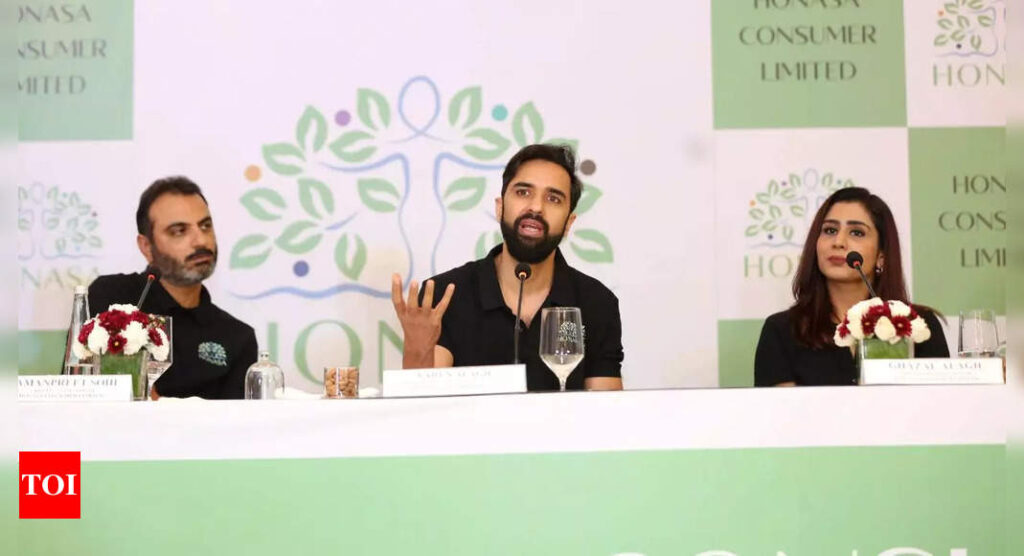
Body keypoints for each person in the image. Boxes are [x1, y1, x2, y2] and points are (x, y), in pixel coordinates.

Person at [390, 144, 623, 391]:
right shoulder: (445, 294)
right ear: (500, 207)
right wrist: (417, 348)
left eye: (553, 198)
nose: (536, 207)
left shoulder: (597, 303)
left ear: (569, 223)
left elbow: (606, 408)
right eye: (523, 192)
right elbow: (423, 404)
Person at [754, 187, 949, 386]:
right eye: (830, 230)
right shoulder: (783, 330)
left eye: (857, 232)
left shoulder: (916, 325)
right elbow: (783, 406)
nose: (838, 242)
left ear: (881, 256)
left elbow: (939, 402)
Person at [88, 176, 257, 399]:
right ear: (146, 247)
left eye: (205, 226)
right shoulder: (111, 298)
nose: (200, 241)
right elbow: (88, 394)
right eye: (179, 231)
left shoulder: (237, 337)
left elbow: (235, 420)